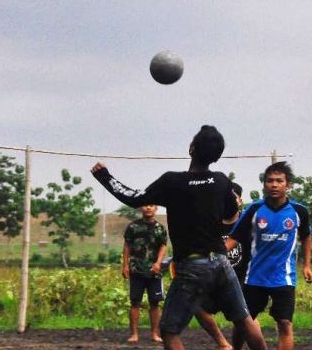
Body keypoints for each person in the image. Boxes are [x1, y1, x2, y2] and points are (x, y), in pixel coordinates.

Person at [91, 125, 269, 350]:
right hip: (221, 262)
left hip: (192, 265)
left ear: (191, 148)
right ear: (217, 156)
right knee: (244, 320)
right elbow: (229, 213)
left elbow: (134, 198)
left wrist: (104, 176)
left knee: (169, 331)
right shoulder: (222, 181)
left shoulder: (172, 182)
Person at [225, 161, 312, 350]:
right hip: (255, 277)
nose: (274, 185)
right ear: (264, 184)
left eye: (279, 181)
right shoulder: (255, 209)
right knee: (243, 322)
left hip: (284, 278)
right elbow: (234, 237)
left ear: (288, 184)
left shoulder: (299, 211)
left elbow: (307, 237)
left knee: (285, 324)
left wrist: (307, 265)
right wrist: (215, 255)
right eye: (270, 181)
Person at [192, 182, 246, 350]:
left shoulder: (248, 221)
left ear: (240, 200)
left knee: (244, 318)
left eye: (232, 198)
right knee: (196, 305)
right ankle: (223, 343)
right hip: (214, 278)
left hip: (242, 279)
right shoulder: (211, 222)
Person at [122, 204, 168, 344]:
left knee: (155, 303)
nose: (148, 208)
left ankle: (155, 334)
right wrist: (125, 265)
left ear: (156, 209)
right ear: (141, 208)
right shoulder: (133, 227)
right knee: (135, 302)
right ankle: (134, 334)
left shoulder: (160, 228)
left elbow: (163, 246)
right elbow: (127, 246)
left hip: (154, 271)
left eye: (151, 206)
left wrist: (158, 263)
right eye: (145, 205)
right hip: (136, 270)